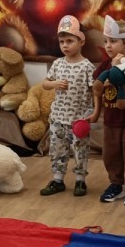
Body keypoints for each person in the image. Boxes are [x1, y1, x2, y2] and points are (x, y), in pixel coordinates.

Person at [40, 14, 98, 197]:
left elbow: (95, 91)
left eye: (69, 41)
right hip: (58, 117)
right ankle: (58, 180)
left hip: (79, 119)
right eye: (62, 42)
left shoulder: (87, 67)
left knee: (80, 150)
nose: (65, 45)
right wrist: (54, 84)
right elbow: (45, 83)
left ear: (81, 41)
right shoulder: (57, 64)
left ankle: (80, 181)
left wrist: (96, 112)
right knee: (57, 149)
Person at [94, 16, 125, 206]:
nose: (108, 45)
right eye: (106, 41)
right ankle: (115, 183)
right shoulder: (104, 66)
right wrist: (96, 113)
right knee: (111, 153)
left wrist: (118, 72)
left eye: (113, 41)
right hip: (111, 120)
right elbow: (97, 88)